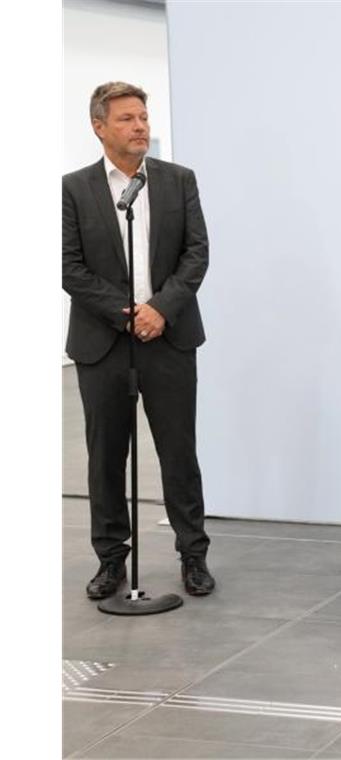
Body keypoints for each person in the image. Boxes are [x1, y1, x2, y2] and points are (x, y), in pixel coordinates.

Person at [63, 81, 215, 599]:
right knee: (106, 457)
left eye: (144, 117)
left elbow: (196, 254)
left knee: (179, 452)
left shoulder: (177, 181)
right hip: (103, 343)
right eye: (127, 118)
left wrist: (160, 310)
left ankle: (193, 556)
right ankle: (111, 561)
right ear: (99, 126)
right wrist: (125, 314)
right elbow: (70, 268)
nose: (140, 127)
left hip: (168, 337)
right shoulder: (73, 188)